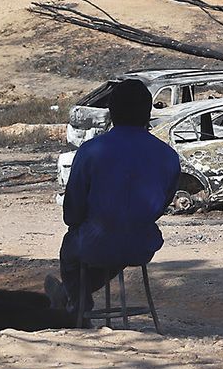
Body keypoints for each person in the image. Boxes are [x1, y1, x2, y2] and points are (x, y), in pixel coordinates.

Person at [47, 80, 180, 321]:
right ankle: (74, 296)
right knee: (115, 245)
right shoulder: (167, 155)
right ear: (148, 112)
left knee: (77, 248)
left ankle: (75, 301)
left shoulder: (91, 151)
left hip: (96, 243)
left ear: (112, 112)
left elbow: (72, 213)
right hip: (142, 245)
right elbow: (163, 203)